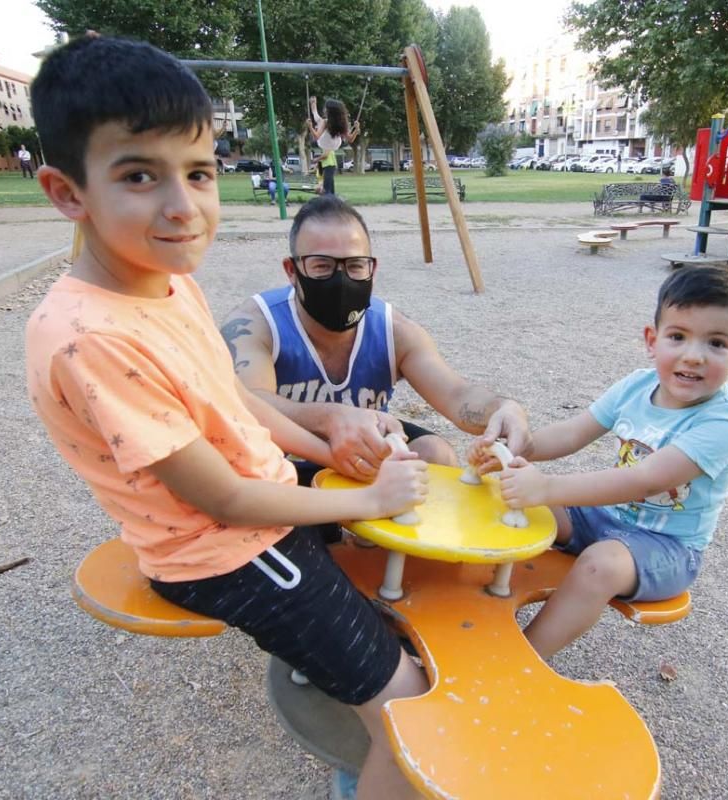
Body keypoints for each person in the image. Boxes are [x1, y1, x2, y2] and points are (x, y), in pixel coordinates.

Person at [24, 35, 429, 800]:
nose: (184, 207)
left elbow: (232, 398)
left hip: (256, 502)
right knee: (411, 708)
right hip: (226, 553)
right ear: (67, 192)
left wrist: (327, 449)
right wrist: (365, 499)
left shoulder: (163, 281)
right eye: (140, 175)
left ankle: (334, 652)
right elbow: (225, 503)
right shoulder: (92, 338)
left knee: (398, 504)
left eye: (200, 172)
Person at [474, 265, 728, 660]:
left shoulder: (722, 424)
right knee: (509, 496)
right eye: (678, 337)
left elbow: (645, 480)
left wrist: (546, 486)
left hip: (667, 548)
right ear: (651, 340)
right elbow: (575, 433)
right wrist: (523, 447)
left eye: (716, 343)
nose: (693, 357)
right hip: (603, 520)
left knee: (600, 564)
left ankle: (519, 659)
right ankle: (469, 609)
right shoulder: (637, 386)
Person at [220, 194, 532, 488]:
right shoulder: (256, 324)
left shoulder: (393, 329)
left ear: (372, 268)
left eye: (354, 265)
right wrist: (330, 417)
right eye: (322, 266)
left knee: (436, 454)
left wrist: (502, 409)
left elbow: (456, 394)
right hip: (284, 465)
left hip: (365, 461)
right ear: (292, 270)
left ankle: (391, 541)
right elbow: (244, 406)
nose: (340, 280)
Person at [306, 96, 360, 195]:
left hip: (324, 142)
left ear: (330, 111)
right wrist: (356, 129)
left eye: (326, 108)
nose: (324, 109)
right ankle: (313, 105)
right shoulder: (342, 123)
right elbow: (351, 139)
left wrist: (310, 127)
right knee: (318, 119)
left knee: (319, 120)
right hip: (335, 144)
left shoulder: (326, 122)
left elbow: (316, 136)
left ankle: (313, 106)